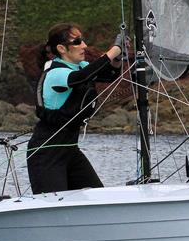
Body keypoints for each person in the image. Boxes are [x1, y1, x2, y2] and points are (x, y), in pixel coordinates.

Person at [27, 23, 125, 194]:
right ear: (61, 49)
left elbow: (109, 74)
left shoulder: (81, 66)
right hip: (46, 152)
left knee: (98, 197)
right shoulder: (55, 73)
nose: (84, 45)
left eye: (83, 40)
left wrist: (118, 57)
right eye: (77, 41)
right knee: (54, 207)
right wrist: (113, 50)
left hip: (70, 149)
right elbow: (80, 78)